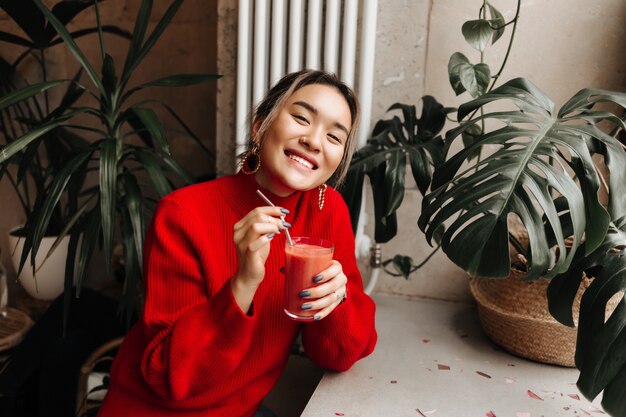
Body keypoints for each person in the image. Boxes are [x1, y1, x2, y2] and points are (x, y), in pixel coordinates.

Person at [99, 69, 377, 417]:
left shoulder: (326, 209)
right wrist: (243, 283)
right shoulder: (183, 213)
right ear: (260, 125)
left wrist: (337, 301)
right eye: (302, 118)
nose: (314, 141)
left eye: (335, 137)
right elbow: (170, 379)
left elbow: (339, 355)